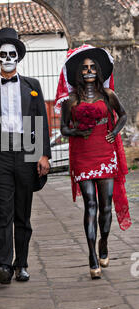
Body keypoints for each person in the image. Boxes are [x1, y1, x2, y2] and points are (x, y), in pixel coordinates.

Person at [0, 28, 51, 285]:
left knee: (23, 214)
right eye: (3, 54)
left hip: (28, 152)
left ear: (18, 57)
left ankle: (22, 265)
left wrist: (44, 154)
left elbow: (41, 121)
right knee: (3, 213)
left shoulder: (33, 86)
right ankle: (4, 265)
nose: (7, 58)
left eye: (12, 54)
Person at [55, 45, 132, 279]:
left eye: (92, 67)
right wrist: (78, 132)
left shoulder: (108, 95)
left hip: (105, 153)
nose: (88, 71)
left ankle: (104, 244)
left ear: (98, 71)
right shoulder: (71, 100)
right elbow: (64, 129)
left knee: (105, 206)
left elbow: (124, 115)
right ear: (78, 73)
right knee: (90, 205)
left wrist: (115, 132)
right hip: (83, 155)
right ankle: (91, 257)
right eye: (84, 68)